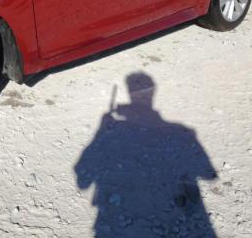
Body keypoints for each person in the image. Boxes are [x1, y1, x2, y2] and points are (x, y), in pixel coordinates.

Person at [75, 73, 217, 237]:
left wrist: (101, 132)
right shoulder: (182, 132)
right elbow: (208, 173)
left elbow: (83, 180)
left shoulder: (117, 132)